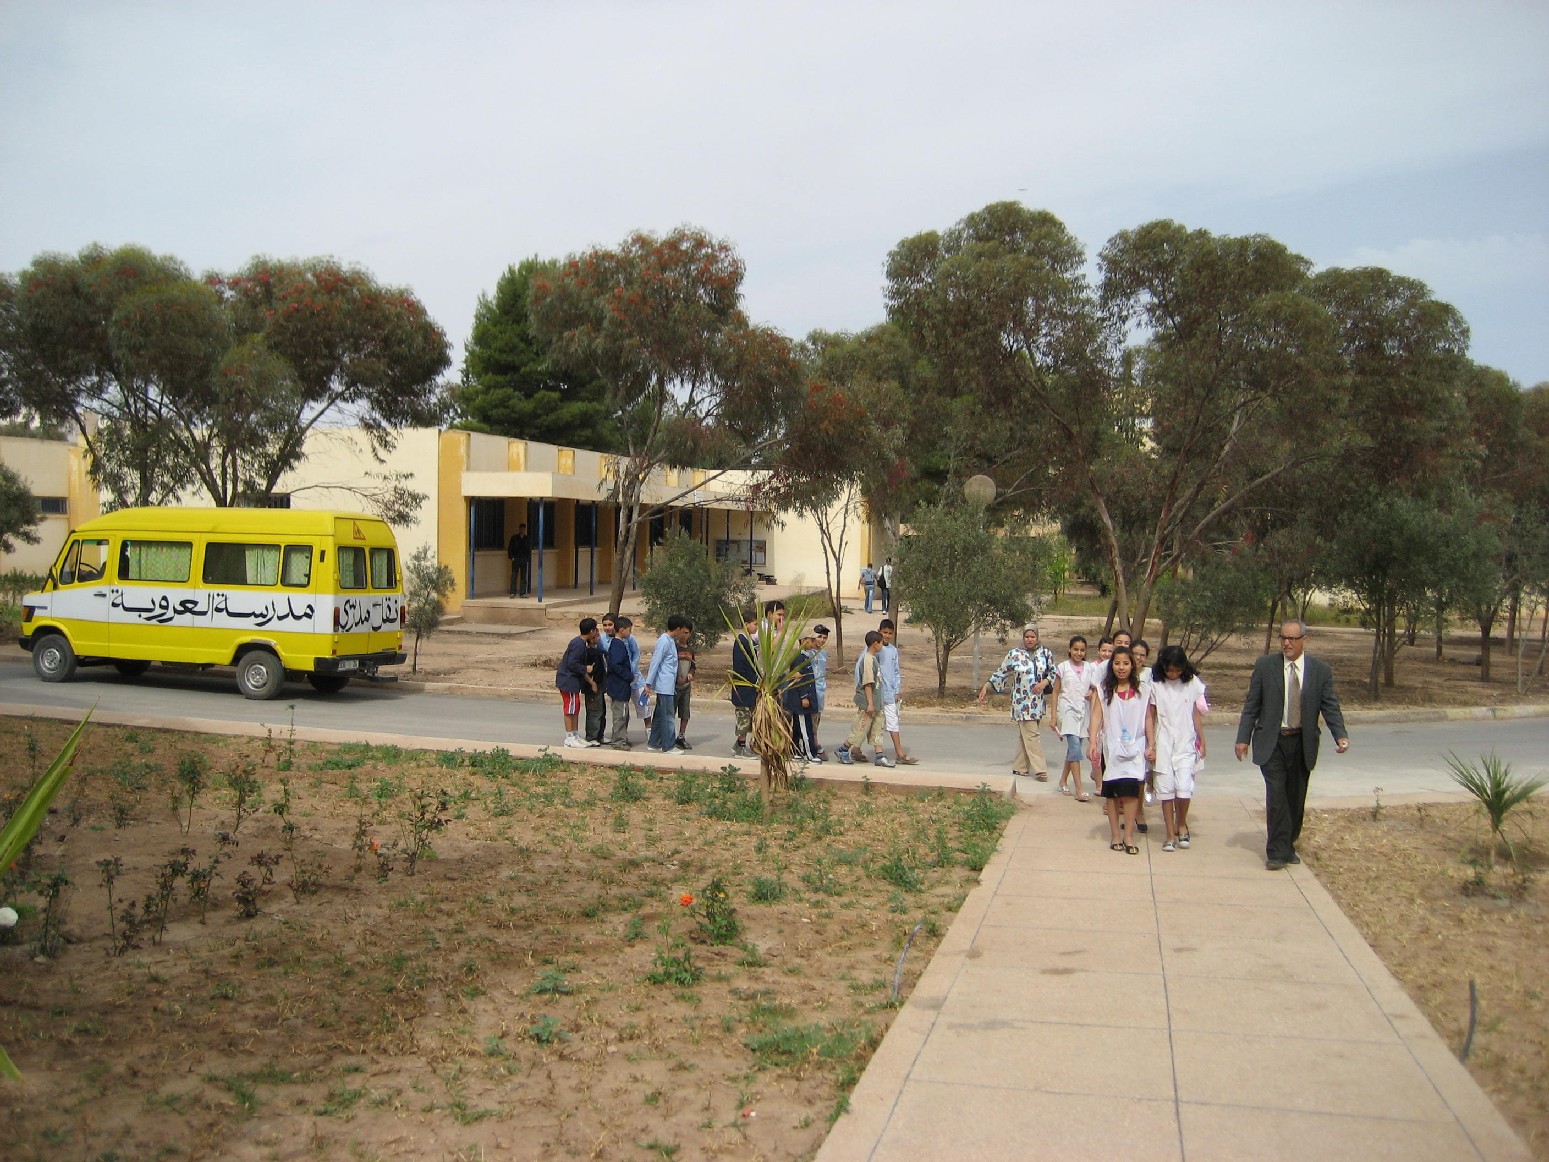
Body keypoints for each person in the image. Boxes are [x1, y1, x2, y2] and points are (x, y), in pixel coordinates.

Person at [1235, 619, 1349, 871]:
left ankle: (1288, 844)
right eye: (1282, 638)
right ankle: (1276, 851)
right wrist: (1243, 738)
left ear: (1304, 640)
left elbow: (1330, 704)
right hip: (1272, 740)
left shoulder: (1320, 670)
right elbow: (1252, 704)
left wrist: (1339, 734)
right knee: (1277, 796)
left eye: (1292, 639)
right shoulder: (1266, 666)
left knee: (1295, 798)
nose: (1286, 643)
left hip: (1302, 742)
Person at [1088, 646, 1153, 854]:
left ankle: (1129, 836)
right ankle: (1115, 834)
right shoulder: (1104, 688)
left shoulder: (1143, 690)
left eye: (1125, 663)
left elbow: (1148, 718)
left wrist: (1151, 745)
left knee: (1133, 792)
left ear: (1132, 665)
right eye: (1117, 663)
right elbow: (1096, 717)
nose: (1121, 667)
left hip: (1135, 748)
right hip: (1112, 748)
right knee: (1114, 792)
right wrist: (1092, 743)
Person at [977, 623, 1057, 781]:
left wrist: (1045, 683)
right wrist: (987, 686)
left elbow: (1053, 672)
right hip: (1022, 702)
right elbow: (1002, 673)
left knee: (1026, 735)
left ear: (1037, 637)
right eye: (1027, 637)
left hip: (1038, 702)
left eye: (1032, 636)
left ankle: (1020, 767)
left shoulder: (1045, 653)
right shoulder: (1015, 654)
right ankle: (1040, 769)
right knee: (1032, 735)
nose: (1029, 640)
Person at [1150, 644, 1206, 852]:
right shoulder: (1156, 684)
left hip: (1186, 742)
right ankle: (1169, 833)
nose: (1173, 674)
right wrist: (1151, 744)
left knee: (1184, 789)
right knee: (1166, 790)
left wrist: (1202, 740)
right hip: (1163, 741)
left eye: (1177, 670)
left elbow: (1195, 713)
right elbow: (1151, 715)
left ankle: (1181, 822)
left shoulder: (1192, 683)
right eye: (1169, 670)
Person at [837, 631, 890, 766]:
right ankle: (843, 749)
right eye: (881, 642)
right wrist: (870, 703)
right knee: (861, 728)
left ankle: (879, 755)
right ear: (874, 644)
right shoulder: (867, 660)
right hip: (868, 704)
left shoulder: (873, 659)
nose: (882, 645)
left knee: (877, 729)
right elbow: (867, 683)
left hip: (877, 704)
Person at [1050, 634, 1091, 800]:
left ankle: (1062, 781)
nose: (1079, 653)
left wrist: (1091, 692)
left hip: (1083, 710)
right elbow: (1055, 691)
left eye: (1082, 650)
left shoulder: (1090, 668)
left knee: (1074, 749)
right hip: (1068, 710)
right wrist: (1053, 716)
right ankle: (1079, 789)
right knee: (1075, 748)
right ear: (1069, 649)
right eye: (1075, 649)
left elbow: (1095, 687)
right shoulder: (1063, 667)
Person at [645, 616, 691, 753]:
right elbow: (655, 662)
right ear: (677, 629)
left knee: (659, 715)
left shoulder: (671, 641)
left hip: (669, 684)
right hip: (664, 684)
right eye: (682, 629)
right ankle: (668, 745)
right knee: (668, 716)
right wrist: (648, 683)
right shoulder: (664, 641)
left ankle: (654, 742)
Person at [876, 619, 918, 765]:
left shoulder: (893, 650)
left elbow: (896, 671)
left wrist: (897, 690)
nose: (886, 636)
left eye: (889, 633)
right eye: (884, 632)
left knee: (893, 723)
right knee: (874, 724)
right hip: (876, 694)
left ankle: (899, 754)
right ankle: (859, 750)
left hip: (889, 694)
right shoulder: (874, 648)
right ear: (879, 631)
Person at [556, 617, 601, 748]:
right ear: (591, 631)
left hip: (574, 682)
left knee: (575, 707)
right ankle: (569, 737)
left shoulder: (582, 644)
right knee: (570, 709)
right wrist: (585, 668)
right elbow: (572, 664)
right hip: (568, 681)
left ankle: (575, 734)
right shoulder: (577, 644)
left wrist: (591, 681)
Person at [783, 636, 822, 762]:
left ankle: (796, 751)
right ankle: (809, 753)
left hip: (804, 698)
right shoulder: (799, 658)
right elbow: (798, 679)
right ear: (802, 641)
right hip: (800, 700)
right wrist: (804, 696)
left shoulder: (806, 656)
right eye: (810, 640)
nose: (812, 643)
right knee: (805, 727)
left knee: (799, 727)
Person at [729, 609, 759, 758]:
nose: (756, 627)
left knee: (748, 717)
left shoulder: (750, 642)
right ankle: (740, 747)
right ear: (746, 624)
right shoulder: (741, 641)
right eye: (754, 624)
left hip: (749, 688)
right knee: (743, 718)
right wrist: (753, 679)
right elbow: (741, 667)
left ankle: (739, 745)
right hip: (743, 687)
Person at [604, 616, 637, 748]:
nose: (630, 633)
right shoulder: (617, 644)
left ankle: (621, 737)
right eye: (629, 630)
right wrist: (629, 676)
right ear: (622, 630)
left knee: (624, 714)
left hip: (621, 687)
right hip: (619, 687)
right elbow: (615, 665)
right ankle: (618, 741)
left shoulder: (619, 643)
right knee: (620, 715)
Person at [583, 628, 609, 746]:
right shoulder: (589, 653)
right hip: (592, 687)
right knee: (594, 711)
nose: (599, 638)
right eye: (597, 636)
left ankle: (600, 735)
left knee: (601, 711)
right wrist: (592, 683)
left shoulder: (599, 651)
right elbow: (588, 672)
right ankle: (591, 736)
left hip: (600, 685)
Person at [809, 624, 830, 754]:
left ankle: (814, 741)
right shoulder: (807, 652)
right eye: (819, 637)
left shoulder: (823, 653)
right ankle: (813, 744)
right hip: (810, 690)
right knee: (810, 720)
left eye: (824, 637)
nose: (822, 640)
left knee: (817, 719)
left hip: (820, 691)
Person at [673, 633, 697, 751]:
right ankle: (669, 736)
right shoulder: (674, 648)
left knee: (685, 713)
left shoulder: (690, 649)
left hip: (686, 686)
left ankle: (681, 736)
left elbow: (693, 666)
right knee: (670, 712)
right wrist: (676, 677)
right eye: (682, 632)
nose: (684, 635)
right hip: (674, 686)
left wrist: (691, 674)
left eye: (687, 633)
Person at [507, 523, 531, 598]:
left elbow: (529, 549)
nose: (523, 531)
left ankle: (523, 593)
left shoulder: (527, 539)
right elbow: (510, 548)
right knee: (514, 576)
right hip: (516, 559)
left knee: (524, 577)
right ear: (519, 529)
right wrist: (512, 557)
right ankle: (512, 592)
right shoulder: (514, 538)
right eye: (522, 529)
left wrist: (527, 558)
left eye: (524, 529)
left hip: (524, 559)